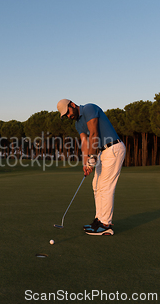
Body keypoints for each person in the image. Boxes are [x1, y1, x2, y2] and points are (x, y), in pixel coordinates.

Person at [56, 99, 126, 235]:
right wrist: (85, 162)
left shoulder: (89, 108)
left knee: (105, 186)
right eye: (65, 116)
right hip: (102, 152)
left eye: (68, 112)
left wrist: (92, 157)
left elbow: (94, 133)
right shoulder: (78, 124)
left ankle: (106, 225)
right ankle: (99, 220)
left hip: (113, 148)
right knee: (96, 185)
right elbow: (84, 143)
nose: (69, 116)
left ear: (72, 105)